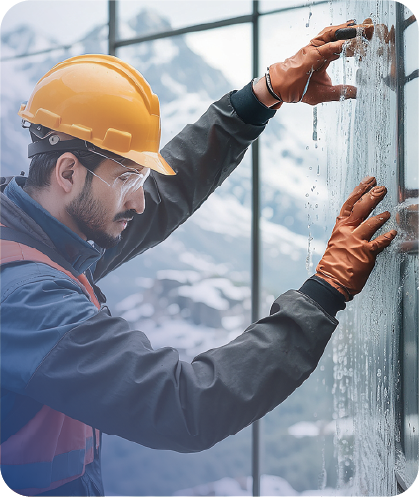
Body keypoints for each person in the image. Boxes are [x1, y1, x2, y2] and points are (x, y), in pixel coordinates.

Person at [0, 20, 396, 497]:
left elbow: (163, 195)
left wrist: (263, 94)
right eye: (127, 178)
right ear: (68, 172)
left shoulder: (41, 229)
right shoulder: (26, 298)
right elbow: (183, 407)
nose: (138, 200)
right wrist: (326, 290)